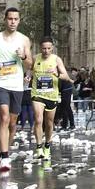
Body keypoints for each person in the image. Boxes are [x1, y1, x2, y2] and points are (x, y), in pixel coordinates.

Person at [0, 7, 32, 174]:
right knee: (3, 115)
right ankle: (4, 156)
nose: (12, 22)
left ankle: (5, 151)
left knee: (12, 123)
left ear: (19, 20)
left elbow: (29, 64)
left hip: (16, 84)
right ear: (5, 19)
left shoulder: (24, 40)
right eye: (10, 19)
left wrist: (23, 56)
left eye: (16, 19)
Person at [30, 38, 69, 169]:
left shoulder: (56, 59)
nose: (46, 51)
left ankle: (47, 144)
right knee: (38, 119)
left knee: (49, 122)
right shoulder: (35, 58)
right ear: (40, 49)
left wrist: (57, 73)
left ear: (52, 48)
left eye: (48, 48)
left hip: (52, 95)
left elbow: (66, 76)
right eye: (43, 48)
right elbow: (28, 67)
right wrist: (28, 75)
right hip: (38, 94)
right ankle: (39, 147)